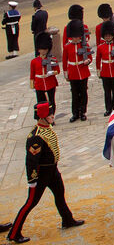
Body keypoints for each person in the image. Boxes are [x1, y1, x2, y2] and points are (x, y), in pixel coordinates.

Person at [6, 102, 84, 243]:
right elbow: (31, 161)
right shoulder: (36, 136)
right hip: (41, 174)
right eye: (50, 114)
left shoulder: (46, 129)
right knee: (30, 203)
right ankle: (14, 233)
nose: (52, 116)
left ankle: (67, 219)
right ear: (42, 117)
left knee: (60, 194)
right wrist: (32, 180)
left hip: (52, 170)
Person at [61, 20, 91, 122]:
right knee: (74, 94)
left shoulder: (84, 45)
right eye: (73, 37)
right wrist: (65, 73)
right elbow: (65, 61)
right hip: (73, 73)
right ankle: (75, 113)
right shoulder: (67, 47)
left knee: (83, 93)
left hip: (83, 72)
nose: (75, 38)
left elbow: (90, 56)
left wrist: (88, 61)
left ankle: (83, 112)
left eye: (77, 36)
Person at [95, 21, 114, 117]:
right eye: (106, 36)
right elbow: (98, 59)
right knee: (107, 92)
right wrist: (98, 70)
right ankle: (108, 109)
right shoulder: (101, 47)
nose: (108, 37)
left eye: (109, 35)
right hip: (105, 72)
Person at [30, 34, 58, 117]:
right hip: (39, 83)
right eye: (42, 49)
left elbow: (57, 70)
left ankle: (51, 116)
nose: (44, 51)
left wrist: (52, 73)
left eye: (45, 49)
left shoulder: (52, 59)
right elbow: (32, 74)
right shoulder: (34, 61)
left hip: (50, 82)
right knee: (41, 102)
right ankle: (43, 117)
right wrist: (33, 85)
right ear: (38, 50)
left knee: (51, 101)